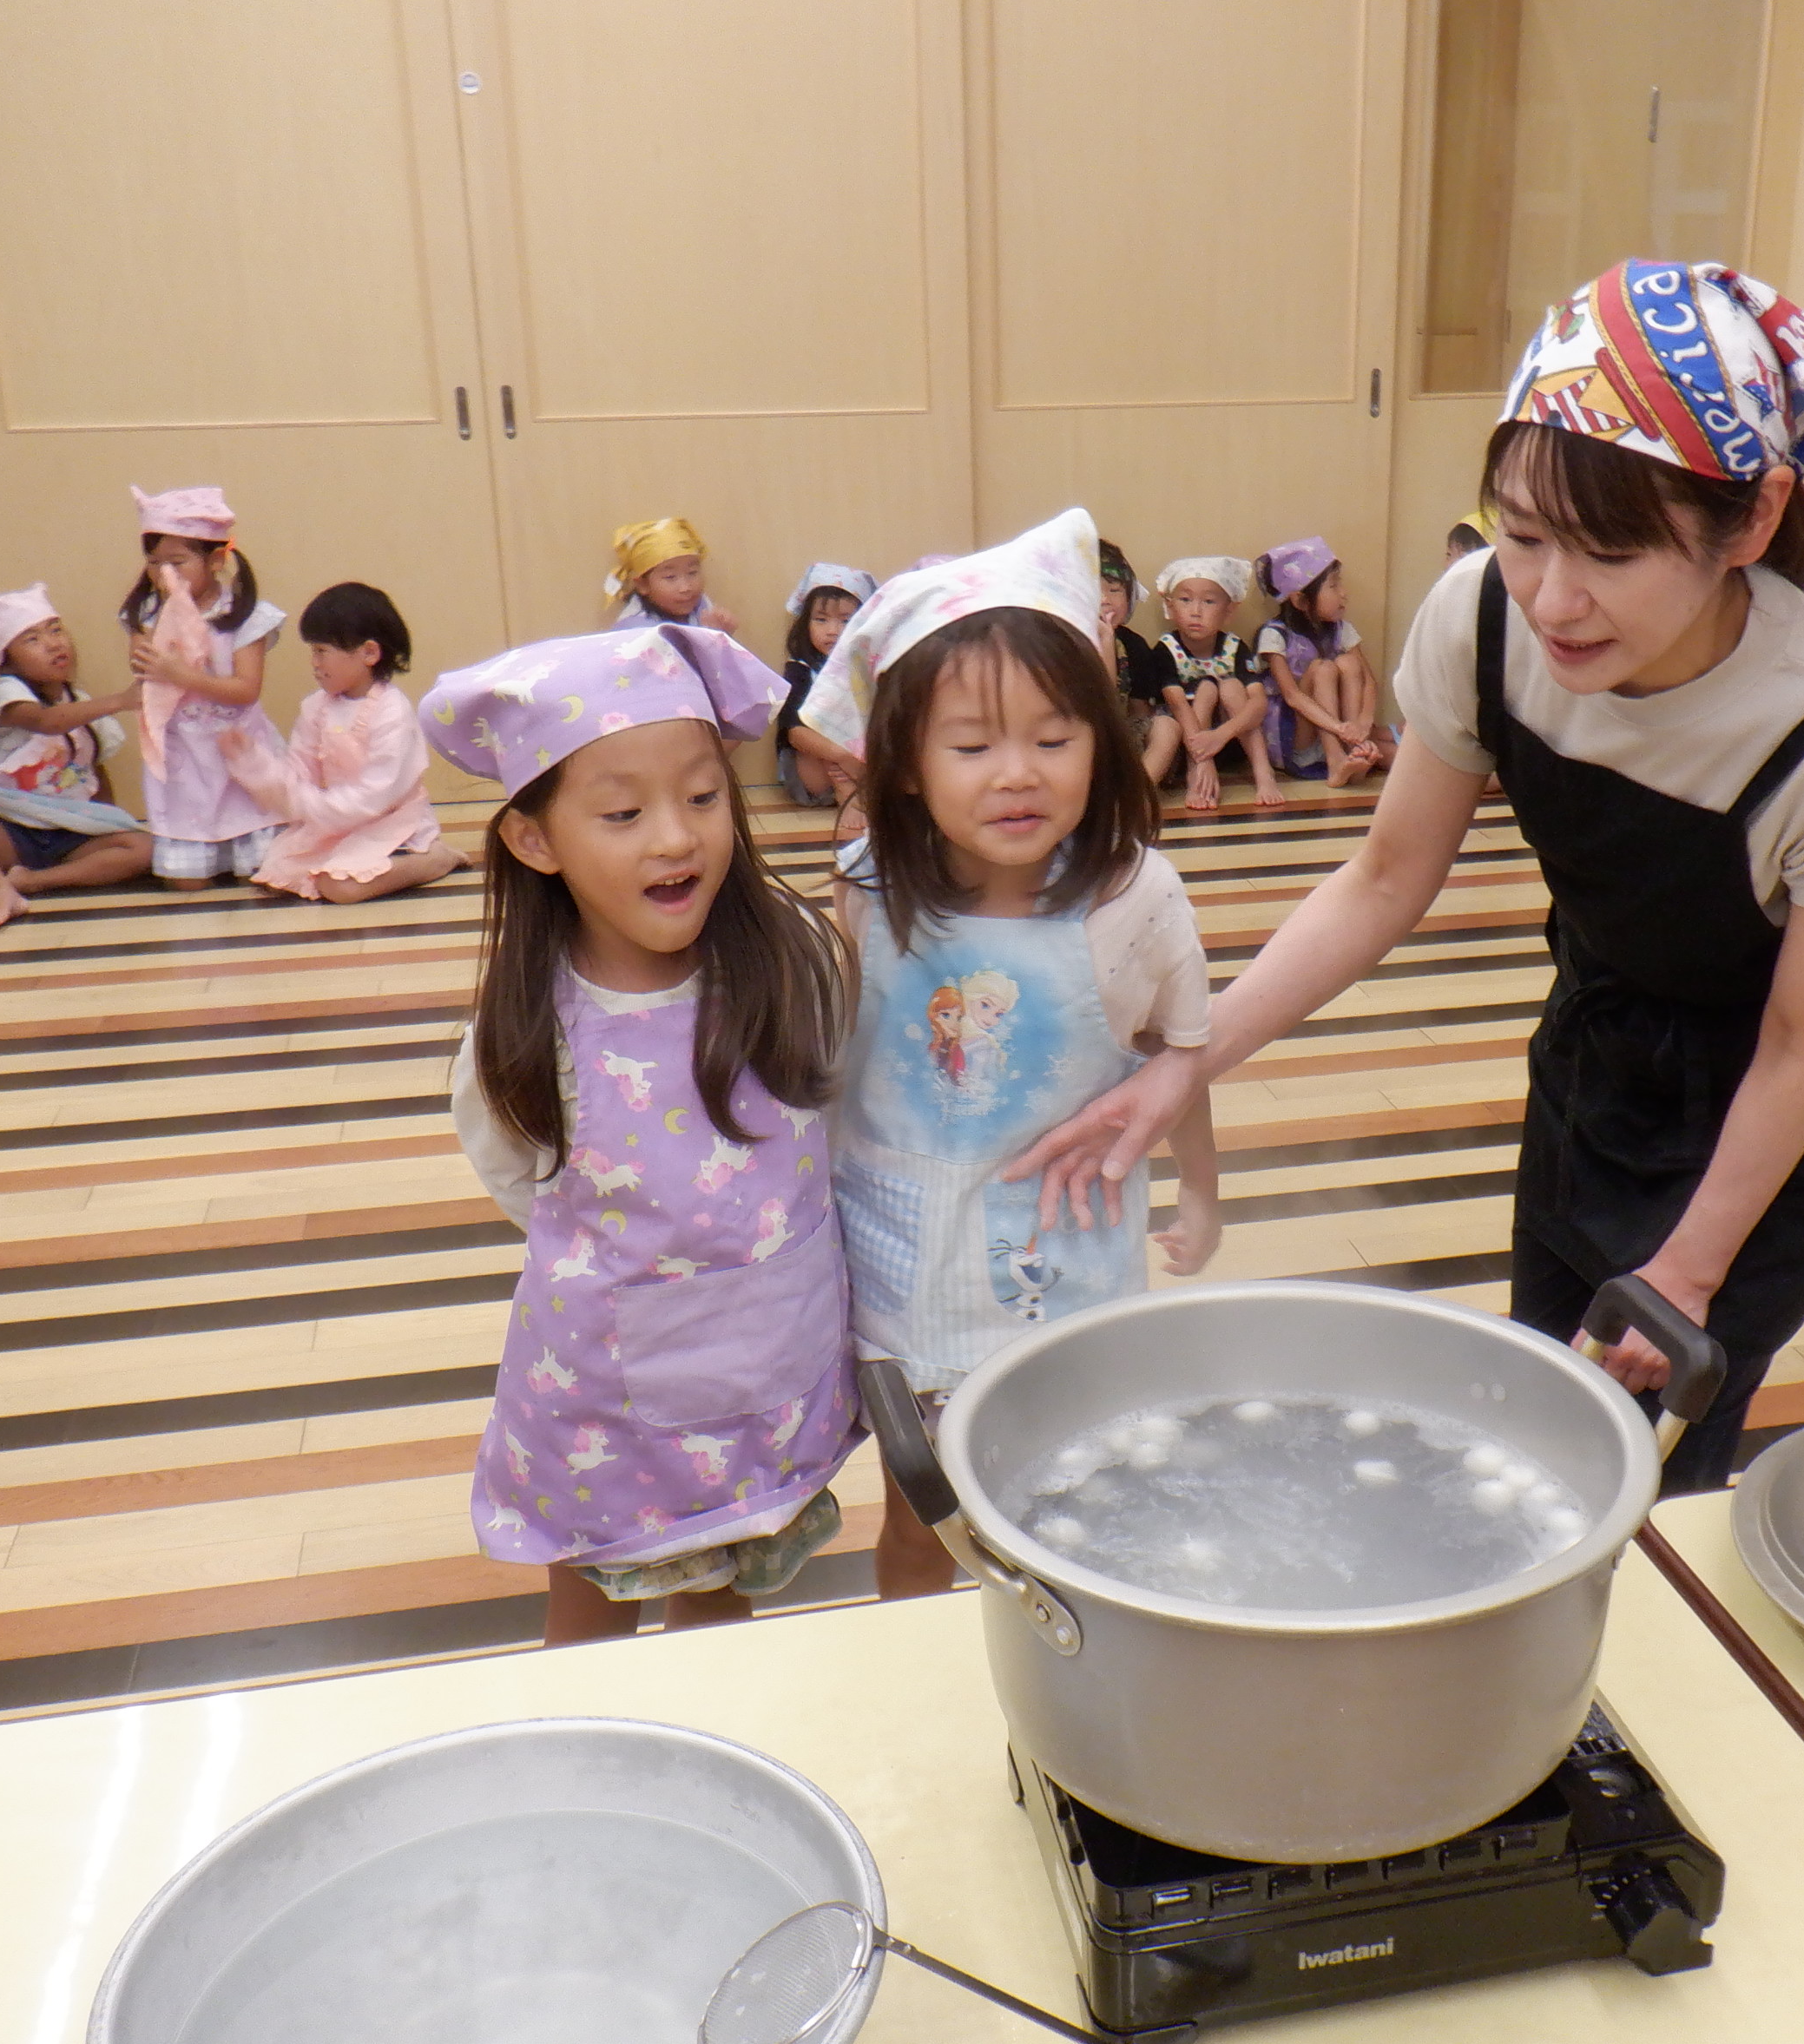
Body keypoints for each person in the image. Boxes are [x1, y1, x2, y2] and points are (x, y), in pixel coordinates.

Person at [1009, 260, 1804, 1495]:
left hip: (1793, 1077)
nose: (1554, 599)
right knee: (1541, 1374)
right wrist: (1188, 1058)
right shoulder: (1481, 618)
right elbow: (1386, 878)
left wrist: (1690, 1270)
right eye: (1526, 535)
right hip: (1609, 1016)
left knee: (1660, 1425)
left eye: (1611, 552)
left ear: (1755, 521)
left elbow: (1797, 1044)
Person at [424, 621, 858, 1644]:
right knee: (590, 1614)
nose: (676, 837)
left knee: (725, 1597)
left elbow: (831, 1113)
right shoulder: (531, 1024)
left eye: (704, 796)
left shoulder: (791, 956)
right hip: (604, 1402)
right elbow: (515, 1174)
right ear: (535, 841)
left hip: (769, 1366)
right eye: (623, 813)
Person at [819, 509, 1222, 1598]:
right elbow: (822, 1076)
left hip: (1063, 1259)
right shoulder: (863, 891)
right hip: (901, 1261)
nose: (1017, 775)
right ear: (905, 765)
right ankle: (916, 1663)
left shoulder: (1135, 897)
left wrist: (1201, 1193)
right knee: (922, 1516)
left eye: (1053, 740)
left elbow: (1176, 1059)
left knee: (1073, 1498)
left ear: (1102, 741)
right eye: (972, 746)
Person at [0, 584, 151, 930]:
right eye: (32, 639)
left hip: (68, 834)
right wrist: (120, 701)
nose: (53, 644)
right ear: (7, 659)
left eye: (56, 630)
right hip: (11, 832)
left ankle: (31, 882)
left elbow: (93, 770)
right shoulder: (9, 695)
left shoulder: (79, 701)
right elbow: (46, 721)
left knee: (144, 848)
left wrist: (107, 822)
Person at [223, 582, 464, 904]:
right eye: (313, 651)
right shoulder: (316, 708)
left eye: (322, 651)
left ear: (369, 653)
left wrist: (317, 809)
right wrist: (255, 763)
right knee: (279, 872)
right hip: (337, 820)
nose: (314, 662)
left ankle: (434, 859)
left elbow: (376, 795)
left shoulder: (392, 711)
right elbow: (298, 773)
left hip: (388, 820)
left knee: (340, 888)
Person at [120, 485, 287, 889]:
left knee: (261, 872)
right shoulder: (146, 613)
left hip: (237, 751)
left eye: (178, 562)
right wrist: (160, 633)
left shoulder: (244, 616)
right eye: (154, 563)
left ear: (216, 560)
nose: (164, 573)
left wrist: (182, 675)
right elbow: (145, 671)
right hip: (183, 756)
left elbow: (246, 690)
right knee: (187, 882)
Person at [1255, 535, 1395, 788]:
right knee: (1323, 668)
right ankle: (1335, 760)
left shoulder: (1342, 630)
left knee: (1349, 663)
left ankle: (1355, 750)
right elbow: (1292, 697)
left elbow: (1369, 682)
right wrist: (1339, 727)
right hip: (1296, 738)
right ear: (1300, 600)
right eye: (1333, 586)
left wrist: (1362, 724)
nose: (1344, 594)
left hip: (1343, 731)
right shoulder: (1275, 635)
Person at [1147, 556, 1280, 812]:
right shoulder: (1166, 650)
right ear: (1170, 606)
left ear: (1229, 611)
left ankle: (1264, 774)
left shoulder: (1235, 647)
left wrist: (1219, 736)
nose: (1196, 611)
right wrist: (1203, 756)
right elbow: (1178, 705)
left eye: (1208, 602)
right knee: (1206, 689)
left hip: (1229, 740)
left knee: (1230, 686)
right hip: (1187, 745)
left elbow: (1259, 703)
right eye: (1185, 600)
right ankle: (1196, 775)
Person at [777, 562, 874, 811]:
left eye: (846, 621)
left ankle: (860, 795)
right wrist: (841, 756)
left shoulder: (870, 669)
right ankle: (846, 793)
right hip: (816, 775)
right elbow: (794, 732)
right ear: (806, 623)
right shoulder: (800, 669)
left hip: (863, 770)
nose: (833, 631)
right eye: (821, 620)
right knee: (812, 731)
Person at [1099, 538, 1179, 787]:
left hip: (1122, 735)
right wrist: (1104, 642)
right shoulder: (1062, 643)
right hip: (1078, 735)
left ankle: (1138, 794)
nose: (1104, 599)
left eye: (1114, 590)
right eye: (1092, 590)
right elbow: (1101, 703)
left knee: (1167, 726)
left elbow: (1139, 711)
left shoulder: (1133, 645)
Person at [606, 516, 738, 635]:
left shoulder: (700, 605)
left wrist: (724, 635)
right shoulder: (635, 629)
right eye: (670, 577)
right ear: (643, 585)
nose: (686, 588)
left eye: (692, 572)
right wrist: (711, 638)